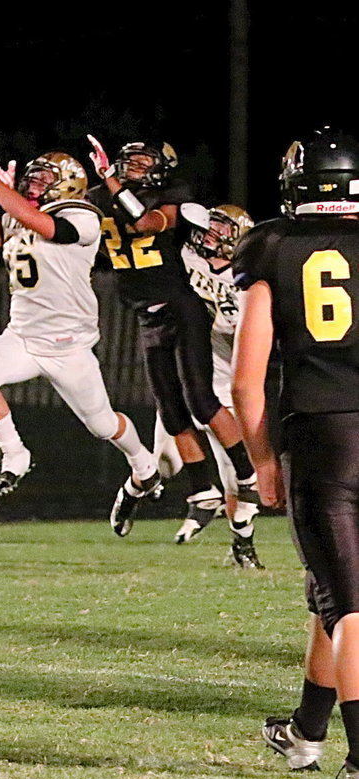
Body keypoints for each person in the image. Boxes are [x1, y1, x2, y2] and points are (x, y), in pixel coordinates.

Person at [232, 126, 359, 779]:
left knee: (349, 602)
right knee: (333, 592)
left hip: (323, 435)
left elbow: (246, 381)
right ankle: (307, 731)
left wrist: (261, 460)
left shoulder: (274, 246)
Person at [0, 150, 159, 499]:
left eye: (45, 177)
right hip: (22, 337)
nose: (35, 181)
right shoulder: (22, 216)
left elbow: (50, 228)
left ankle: (143, 463)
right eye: (32, 176)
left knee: (103, 425)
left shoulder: (82, 216)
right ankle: (15, 453)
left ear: (69, 185)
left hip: (70, 346)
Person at [86, 135, 260, 540]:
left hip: (181, 308)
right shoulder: (98, 196)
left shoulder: (172, 195)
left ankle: (246, 475)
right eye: (130, 162)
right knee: (170, 409)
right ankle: (202, 490)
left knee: (201, 400)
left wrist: (113, 183)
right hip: (146, 314)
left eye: (144, 163)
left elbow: (144, 223)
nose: (133, 168)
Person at [152, 204, 263, 567]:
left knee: (237, 479)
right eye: (210, 225)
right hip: (192, 376)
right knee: (165, 465)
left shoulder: (250, 277)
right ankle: (199, 496)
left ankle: (242, 546)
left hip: (229, 385)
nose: (211, 232)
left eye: (221, 227)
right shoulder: (187, 258)